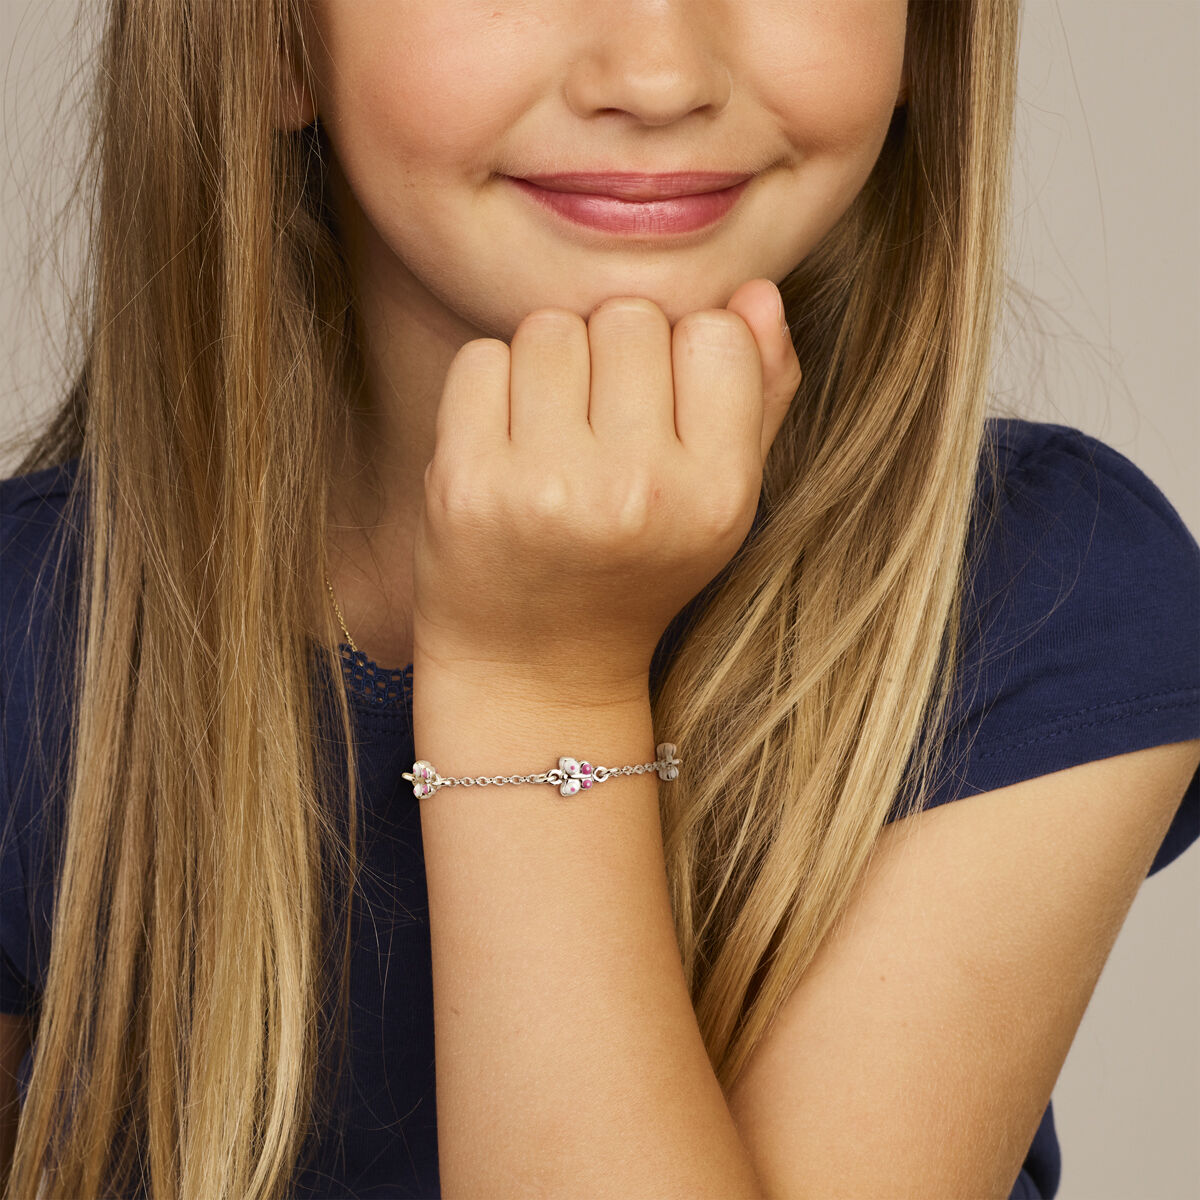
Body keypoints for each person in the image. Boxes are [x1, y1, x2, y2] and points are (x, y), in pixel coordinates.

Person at [1, 1, 1196, 1197]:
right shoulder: (36, 635)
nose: (659, 76)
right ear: (275, 38)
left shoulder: (1047, 595)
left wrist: (538, 686)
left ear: (927, 34)